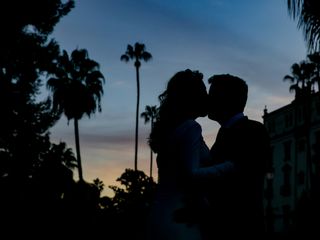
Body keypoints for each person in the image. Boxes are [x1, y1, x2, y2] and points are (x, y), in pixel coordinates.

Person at [197, 74, 271, 237]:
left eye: (213, 94)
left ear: (227, 99)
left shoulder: (253, 131)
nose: (209, 100)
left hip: (241, 227)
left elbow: (238, 176)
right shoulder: (226, 132)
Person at [145, 69, 210, 240]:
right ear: (191, 96)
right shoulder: (191, 127)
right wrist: (230, 166)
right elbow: (192, 173)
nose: (207, 97)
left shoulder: (172, 131)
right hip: (182, 219)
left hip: (160, 215)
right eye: (203, 92)